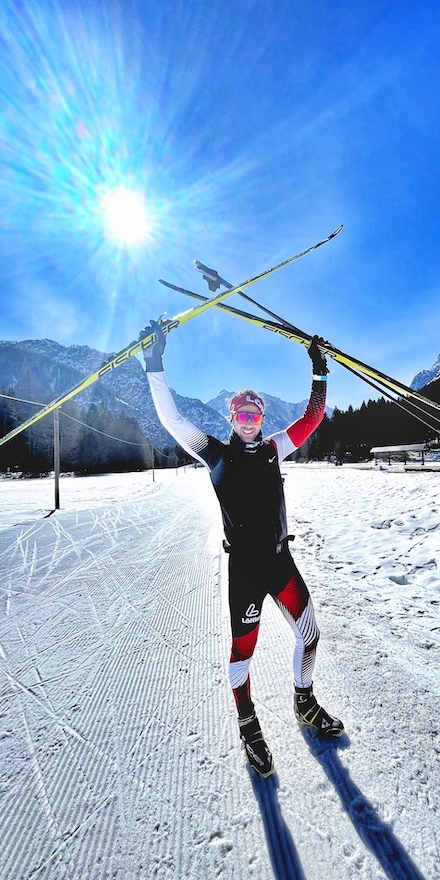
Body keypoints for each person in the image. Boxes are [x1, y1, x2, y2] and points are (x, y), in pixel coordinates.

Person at [141, 320, 343, 777]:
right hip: (246, 574)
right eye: (243, 417)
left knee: (309, 635)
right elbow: (172, 419)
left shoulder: (275, 449)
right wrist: (155, 362)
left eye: (256, 417)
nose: (250, 424)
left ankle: (305, 701)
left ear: (261, 421)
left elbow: (311, 420)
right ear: (231, 419)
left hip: (280, 561)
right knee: (242, 655)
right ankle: (248, 722)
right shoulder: (214, 453)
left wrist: (319, 371)